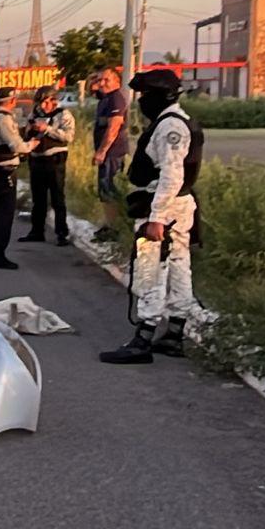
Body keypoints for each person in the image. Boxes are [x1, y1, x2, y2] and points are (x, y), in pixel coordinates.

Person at [100, 68, 203, 364]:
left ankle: (143, 338)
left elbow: (172, 173)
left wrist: (156, 217)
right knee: (180, 266)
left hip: (162, 206)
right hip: (178, 205)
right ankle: (173, 333)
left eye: (145, 95)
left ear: (160, 96)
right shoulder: (179, 121)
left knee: (150, 270)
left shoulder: (170, 127)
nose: (142, 101)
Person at [0, 87, 39, 270]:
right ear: (12, 100)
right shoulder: (3, 119)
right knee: (5, 213)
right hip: (4, 171)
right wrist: (32, 144)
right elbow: (16, 145)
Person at [18, 84, 75, 246]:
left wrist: (47, 129)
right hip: (36, 159)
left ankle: (61, 233)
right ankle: (37, 231)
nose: (43, 106)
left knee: (57, 197)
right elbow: (26, 133)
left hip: (55, 159)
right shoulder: (34, 114)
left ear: (53, 100)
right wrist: (29, 130)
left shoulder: (63, 115)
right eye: (40, 102)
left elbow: (69, 136)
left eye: (46, 102)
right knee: (38, 198)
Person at [91, 68, 129, 241]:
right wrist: (93, 80)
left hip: (113, 153)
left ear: (117, 82)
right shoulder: (105, 98)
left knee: (110, 189)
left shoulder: (116, 99)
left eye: (106, 80)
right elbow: (92, 89)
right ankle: (109, 225)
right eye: (100, 80)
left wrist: (102, 151)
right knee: (104, 190)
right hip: (108, 154)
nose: (102, 83)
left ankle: (114, 229)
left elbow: (114, 127)